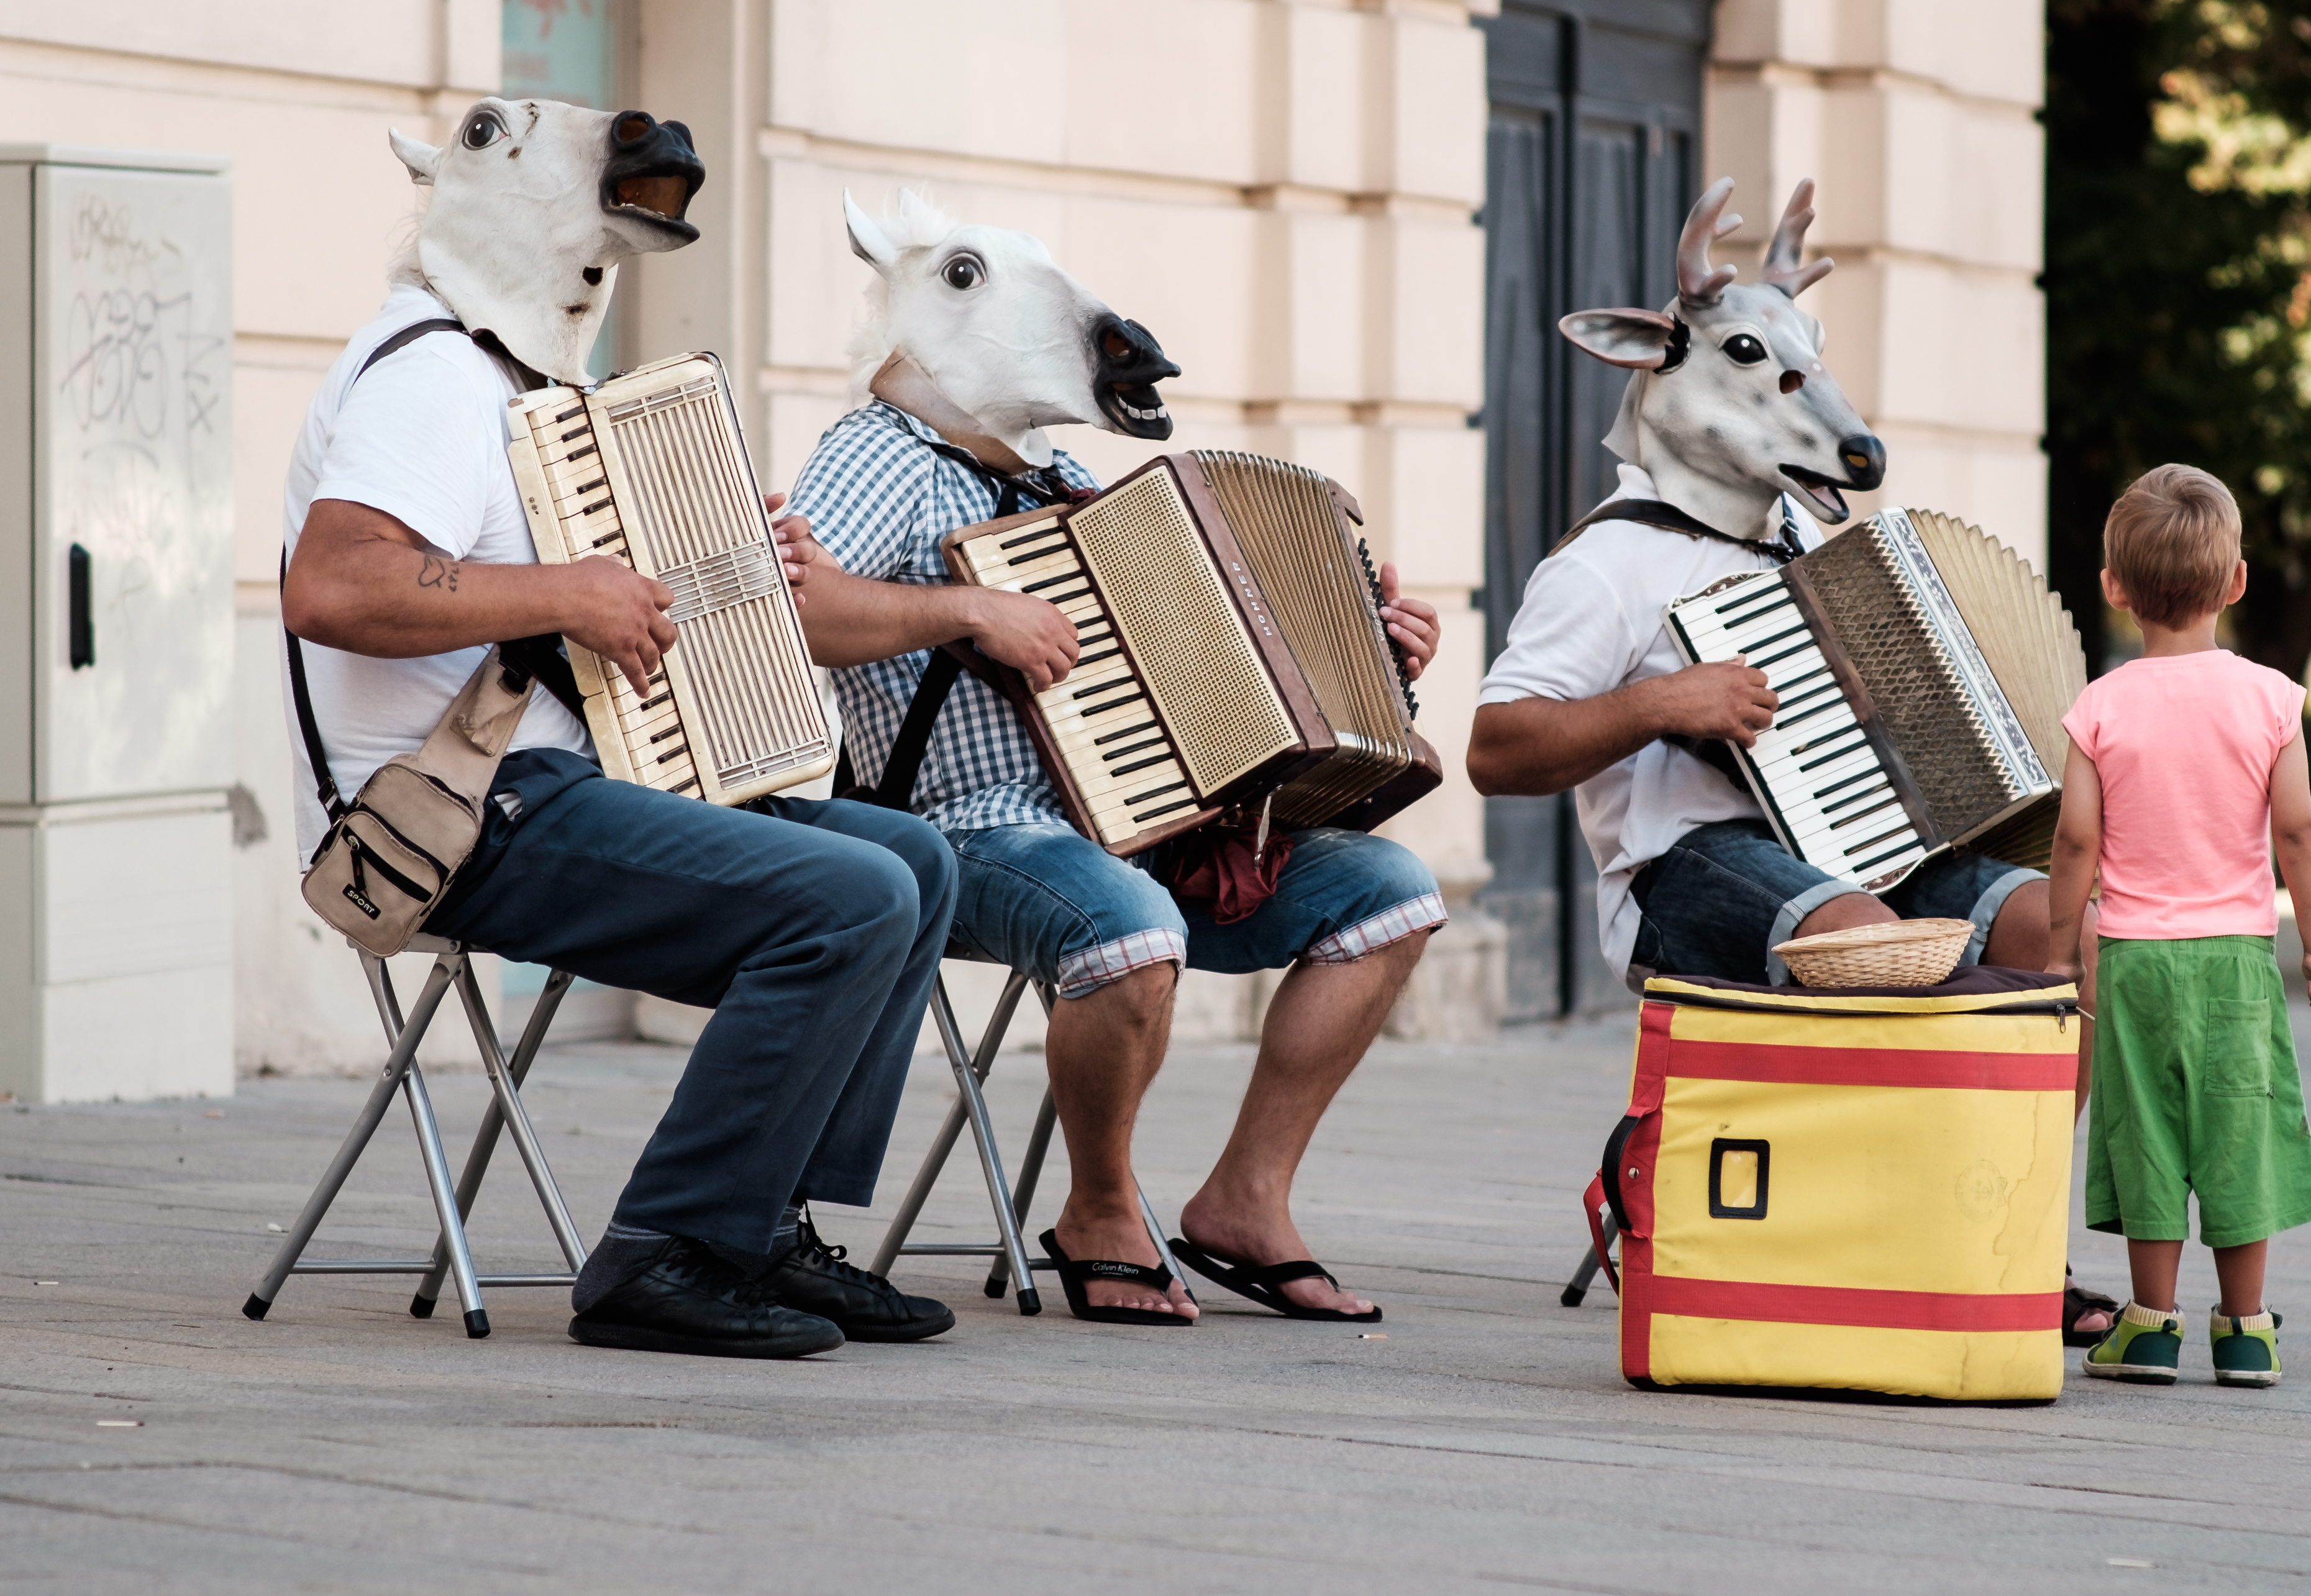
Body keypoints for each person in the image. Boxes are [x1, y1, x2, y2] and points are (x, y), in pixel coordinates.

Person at [281, 283, 962, 1361]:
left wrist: (743, 568)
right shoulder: (435, 371)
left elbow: (604, 608)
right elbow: (330, 585)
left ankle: (764, 1224)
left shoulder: (531, 377)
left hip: (577, 779)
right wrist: (566, 592)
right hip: (452, 814)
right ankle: (664, 1249)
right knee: (855, 894)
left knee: (909, 858)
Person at [784, 399, 1447, 1324]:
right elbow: (790, 605)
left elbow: (1203, 676)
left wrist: (1380, 658)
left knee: (1395, 892)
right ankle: (1099, 1210)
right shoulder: (880, 449)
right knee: (1129, 923)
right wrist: (968, 608)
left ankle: (1244, 1201)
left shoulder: (1072, 479)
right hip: (961, 833)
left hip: (1148, 829)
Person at [1465, 462, 2121, 1344]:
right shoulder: (1608, 557)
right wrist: (1663, 702)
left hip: (1854, 847)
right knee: (1869, 946)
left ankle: (2010, 1230)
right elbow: (1495, 752)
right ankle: (1920, 1244)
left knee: (2075, 929)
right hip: (1679, 864)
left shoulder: (1801, 542)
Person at [2043, 464, 2311, 1389]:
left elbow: (2074, 838)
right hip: (2239, 962)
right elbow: (2295, 828)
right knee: (2237, 1128)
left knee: (2147, 1131)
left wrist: (2061, 948)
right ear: (2238, 582)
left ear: (2114, 589)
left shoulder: (2101, 704)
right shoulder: (2272, 699)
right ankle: (2246, 1328)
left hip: (2135, 959)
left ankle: (2149, 1322)